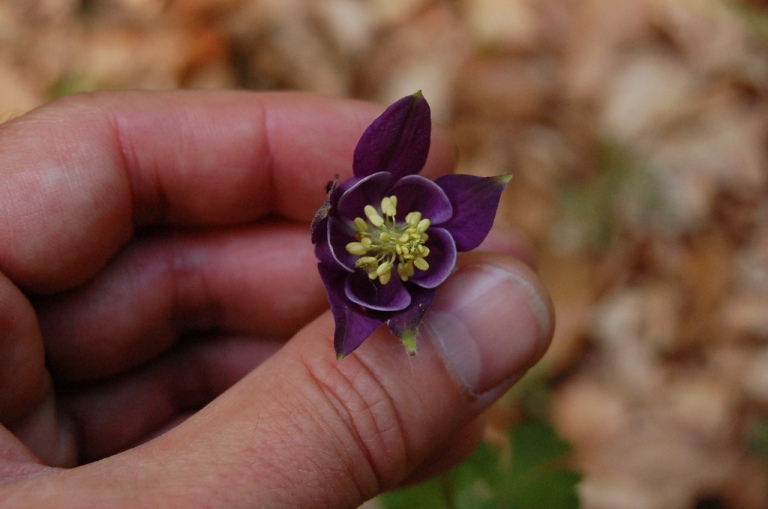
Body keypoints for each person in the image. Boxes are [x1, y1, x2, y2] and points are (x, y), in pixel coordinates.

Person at [0, 90, 553, 508]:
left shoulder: (442, 220)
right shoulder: (350, 275)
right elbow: (350, 330)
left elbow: (477, 192)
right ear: (338, 214)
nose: (397, 239)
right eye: (382, 235)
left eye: (399, 236)